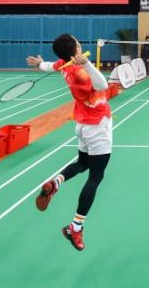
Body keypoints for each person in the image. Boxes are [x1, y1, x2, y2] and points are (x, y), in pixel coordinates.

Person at [26, 34, 111, 252]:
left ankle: (56, 182)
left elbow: (49, 66)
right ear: (76, 49)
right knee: (96, 177)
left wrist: (39, 64)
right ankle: (75, 227)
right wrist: (87, 64)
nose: (79, 41)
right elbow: (102, 85)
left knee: (83, 163)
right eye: (76, 41)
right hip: (97, 126)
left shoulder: (64, 64)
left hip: (81, 124)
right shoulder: (80, 71)